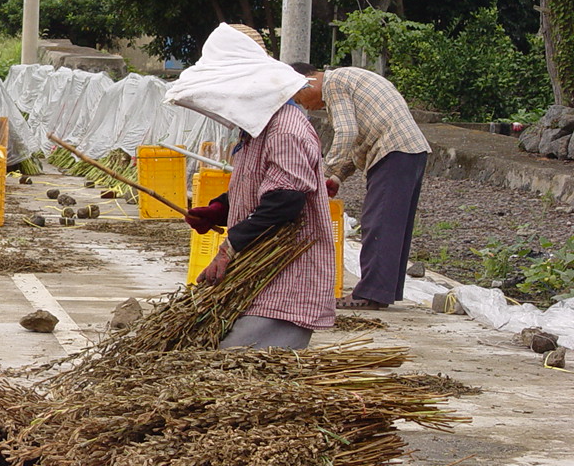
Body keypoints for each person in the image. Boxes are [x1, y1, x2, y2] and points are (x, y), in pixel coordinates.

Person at [170, 24, 336, 350]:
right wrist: (219, 209)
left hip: (284, 275)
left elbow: (284, 202)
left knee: (235, 361)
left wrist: (229, 246)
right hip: (258, 275)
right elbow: (259, 188)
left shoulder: (285, 129)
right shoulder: (257, 129)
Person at [290, 63, 431, 310]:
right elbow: (358, 140)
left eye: (299, 99)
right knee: (392, 225)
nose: (305, 107)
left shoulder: (334, 84)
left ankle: (369, 294)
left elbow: (346, 133)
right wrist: (336, 177)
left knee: (378, 223)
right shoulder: (346, 81)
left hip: (393, 150)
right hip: (407, 151)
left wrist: (322, 172)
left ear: (306, 83)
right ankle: (381, 291)